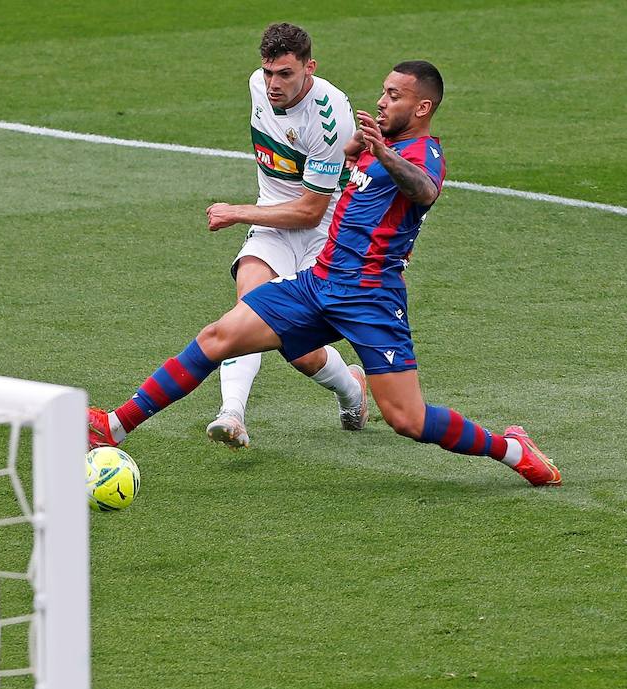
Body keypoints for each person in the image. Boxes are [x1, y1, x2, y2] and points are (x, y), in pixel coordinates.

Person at [88, 61, 561, 487]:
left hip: (370, 297)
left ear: (423, 107)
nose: (381, 100)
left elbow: (424, 191)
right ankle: (113, 426)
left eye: (394, 95)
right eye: (383, 90)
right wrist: (357, 149)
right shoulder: (372, 146)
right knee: (217, 336)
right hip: (319, 283)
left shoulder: (422, 153)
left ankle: (514, 448)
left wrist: (381, 150)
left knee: (407, 419)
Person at [204, 22, 368, 449]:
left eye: (285, 74)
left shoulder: (330, 117)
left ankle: (352, 389)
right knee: (247, 312)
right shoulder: (257, 85)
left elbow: (311, 211)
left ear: (309, 68)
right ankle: (232, 414)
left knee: (298, 348)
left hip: (324, 231)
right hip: (274, 222)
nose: (273, 84)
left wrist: (237, 212)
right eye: (268, 72)